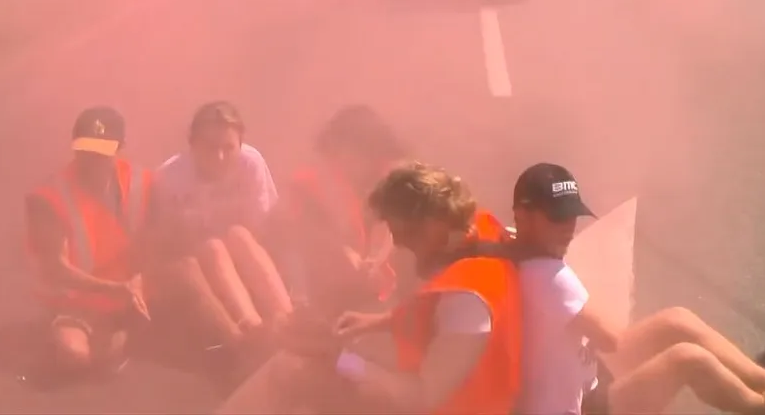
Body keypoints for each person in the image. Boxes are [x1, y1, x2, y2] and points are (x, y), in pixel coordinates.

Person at [511, 163, 765, 415]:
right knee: (687, 359)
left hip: (583, 374)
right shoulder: (549, 276)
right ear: (523, 215)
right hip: (584, 406)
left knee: (676, 320)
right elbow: (611, 338)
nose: (568, 227)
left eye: (571, 216)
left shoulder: (515, 249)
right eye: (556, 218)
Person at [217, 161, 522, 415]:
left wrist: (338, 358)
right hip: (426, 384)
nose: (399, 243)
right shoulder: (476, 227)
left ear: (433, 224)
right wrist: (377, 322)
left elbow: (421, 399)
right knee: (295, 364)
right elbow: (433, 319)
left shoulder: (467, 303)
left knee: (295, 374)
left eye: (404, 232)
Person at [148, 101, 294, 353]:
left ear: (241, 144)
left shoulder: (251, 163)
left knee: (238, 236)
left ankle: (288, 319)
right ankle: (251, 325)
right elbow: (165, 244)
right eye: (210, 148)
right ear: (192, 145)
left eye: (229, 148)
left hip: (244, 252)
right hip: (197, 267)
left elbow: (261, 227)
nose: (220, 157)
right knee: (214, 247)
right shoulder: (169, 178)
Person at [25, 106, 153, 375]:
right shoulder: (48, 197)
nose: (93, 158)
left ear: (121, 147)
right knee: (77, 357)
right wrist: (115, 288)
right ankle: (101, 333)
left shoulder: (143, 181)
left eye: (102, 151)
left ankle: (123, 330)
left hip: (135, 288)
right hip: (78, 299)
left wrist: (141, 279)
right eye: (85, 150)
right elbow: (55, 269)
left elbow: (161, 238)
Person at [286, 105, 407, 313]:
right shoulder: (317, 181)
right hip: (331, 277)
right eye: (341, 148)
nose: (346, 157)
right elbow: (306, 229)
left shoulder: (394, 179)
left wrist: (374, 260)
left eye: (356, 149)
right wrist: (342, 251)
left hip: (384, 277)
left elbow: (389, 227)